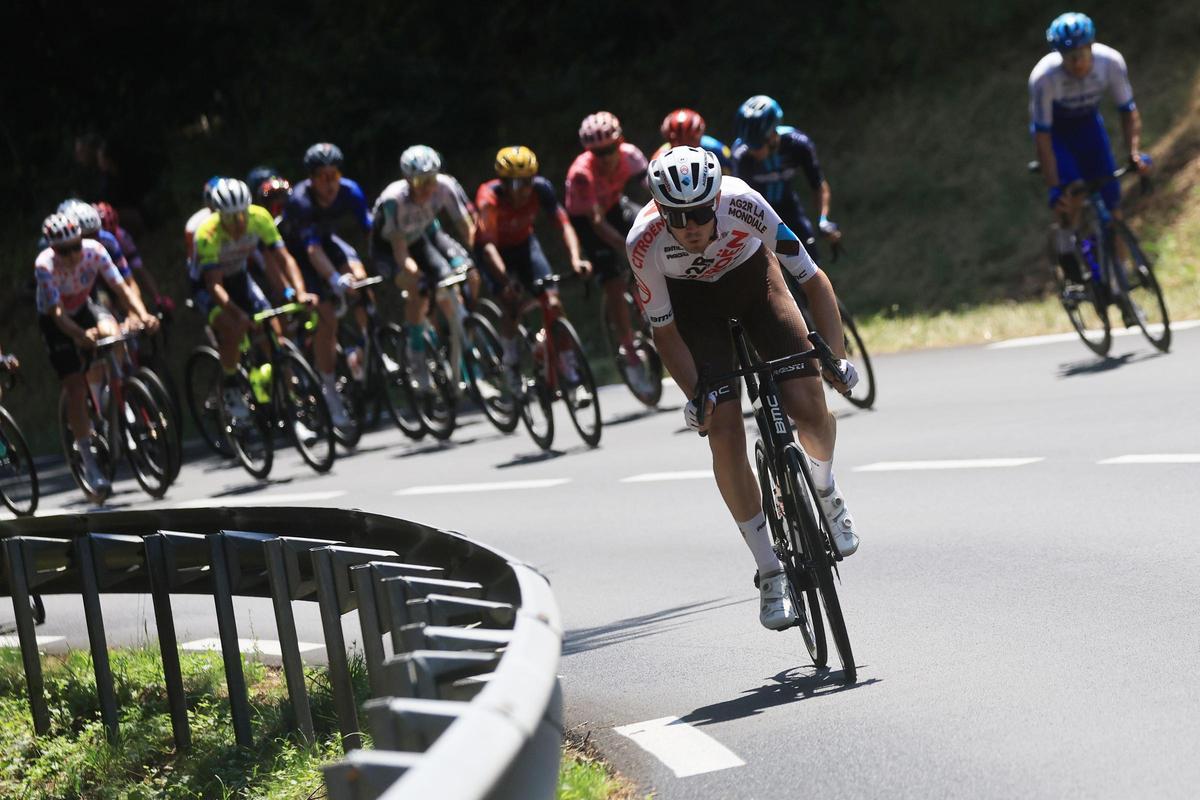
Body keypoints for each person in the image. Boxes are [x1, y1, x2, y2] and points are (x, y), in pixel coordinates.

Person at [625, 146, 861, 630]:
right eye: (677, 215)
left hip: (754, 284)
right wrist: (698, 396)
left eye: (699, 212)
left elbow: (813, 281)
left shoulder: (744, 203)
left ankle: (826, 490)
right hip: (694, 312)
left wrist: (835, 357)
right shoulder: (643, 242)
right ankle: (770, 570)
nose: (689, 225)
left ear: (716, 202)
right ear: (659, 211)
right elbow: (665, 333)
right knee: (724, 430)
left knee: (809, 407)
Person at [1029, 12, 1148, 307]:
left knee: (1112, 210)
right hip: (1058, 136)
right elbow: (1042, 137)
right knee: (1071, 200)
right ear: (1059, 55)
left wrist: (1133, 152)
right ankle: (1070, 260)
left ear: (1092, 46)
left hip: (1089, 131)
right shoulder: (1044, 78)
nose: (1077, 63)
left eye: (1081, 54)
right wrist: (1054, 185)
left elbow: (1128, 111)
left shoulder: (1110, 63)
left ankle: (1119, 285)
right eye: (1069, 57)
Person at [35, 213, 158, 497]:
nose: (72, 254)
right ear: (53, 249)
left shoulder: (95, 251)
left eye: (76, 245)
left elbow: (121, 287)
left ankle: (116, 395)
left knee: (113, 334)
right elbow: (56, 314)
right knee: (75, 387)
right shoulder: (45, 265)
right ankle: (89, 463)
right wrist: (79, 336)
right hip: (57, 322)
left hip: (84, 307)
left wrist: (143, 314)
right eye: (64, 250)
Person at [193, 179, 318, 422]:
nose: (238, 222)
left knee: (276, 339)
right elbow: (215, 285)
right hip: (208, 286)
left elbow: (283, 259)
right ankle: (230, 386)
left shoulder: (259, 217)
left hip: (239, 277)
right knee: (232, 328)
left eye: (241, 215)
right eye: (230, 218)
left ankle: (292, 410)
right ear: (218, 215)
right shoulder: (207, 233)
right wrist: (237, 314)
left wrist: (298, 292)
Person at [475, 146, 592, 389]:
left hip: (524, 245)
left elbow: (564, 226)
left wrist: (575, 259)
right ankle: (511, 364)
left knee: (553, 303)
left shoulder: (541, 189)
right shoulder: (489, 197)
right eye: (516, 184)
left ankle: (569, 368)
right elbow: (487, 247)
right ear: (504, 183)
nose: (524, 190)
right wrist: (506, 281)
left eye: (527, 182)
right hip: (493, 251)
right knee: (511, 304)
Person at [370, 145, 478, 391]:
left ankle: (464, 334)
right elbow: (400, 253)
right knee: (418, 291)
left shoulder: (445, 186)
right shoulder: (393, 200)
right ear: (408, 180)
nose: (428, 187)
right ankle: (416, 358)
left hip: (420, 238)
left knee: (460, 277)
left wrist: (477, 255)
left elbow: (465, 226)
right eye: (421, 181)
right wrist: (419, 277)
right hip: (389, 249)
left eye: (431, 179)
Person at [279, 143, 372, 420]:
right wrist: (334, 279)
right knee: (327, 316)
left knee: (362, 282)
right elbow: (311, 251)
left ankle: (367, 352)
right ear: (311, 178)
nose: (330, 183)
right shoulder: (300, 201)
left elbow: (370, 231)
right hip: (300, 254)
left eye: (334, 175)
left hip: (328, 242)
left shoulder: (350, 190)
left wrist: (375, 263)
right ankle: (330, 391)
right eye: (323, 177)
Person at [565, 111, 652, 392]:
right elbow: (598, 224)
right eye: (598, 152)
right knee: (614, 283)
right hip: (588, 221)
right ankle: (630, 354)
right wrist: (627, 247)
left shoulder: (631, 155)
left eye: (610, 149)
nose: (605, 157)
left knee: (652, 231)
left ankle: (652, 298)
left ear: (620, 142)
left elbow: (658, 192)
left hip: (615, 205)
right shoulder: (582, 174)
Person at [731, 95, 842, 265]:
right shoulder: (741, 155)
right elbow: (738, 201)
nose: (752, 151)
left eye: (757, 146)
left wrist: (823, 220)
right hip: (758, 217)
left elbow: (818, 184)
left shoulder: (798, 145)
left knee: (811, 270)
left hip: (790, 212)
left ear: (772, 136)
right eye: (749, 144)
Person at [95, 201, 172, 314]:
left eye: (112, 232)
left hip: (121, 262)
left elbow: (138, 268)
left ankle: (157, 299)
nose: (109, 237)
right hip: (103, 272)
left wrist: (156, 297)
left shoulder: (122, 235)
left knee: (136, 273)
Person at [651, 108, 732, 172]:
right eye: (678, 142)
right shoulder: (659, 157)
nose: (684, 147)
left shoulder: (717, 149)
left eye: (690, 141)